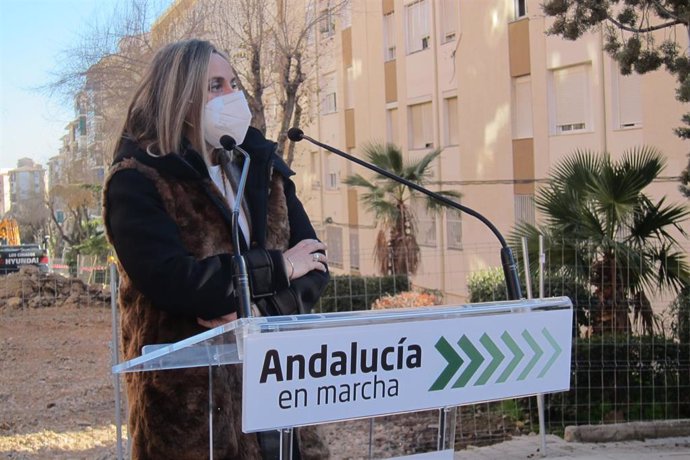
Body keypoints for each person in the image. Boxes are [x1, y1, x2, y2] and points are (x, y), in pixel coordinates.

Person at [103, 39, 330, 459]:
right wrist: (279, 268)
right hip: (194, 413)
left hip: (277, 392)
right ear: (179, 97)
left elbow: (314, 265)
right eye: (215, 86)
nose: (232, 95)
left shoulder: (261, 166)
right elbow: (177, 282)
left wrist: (253, 306)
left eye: (233, 83)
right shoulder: (137, 181)